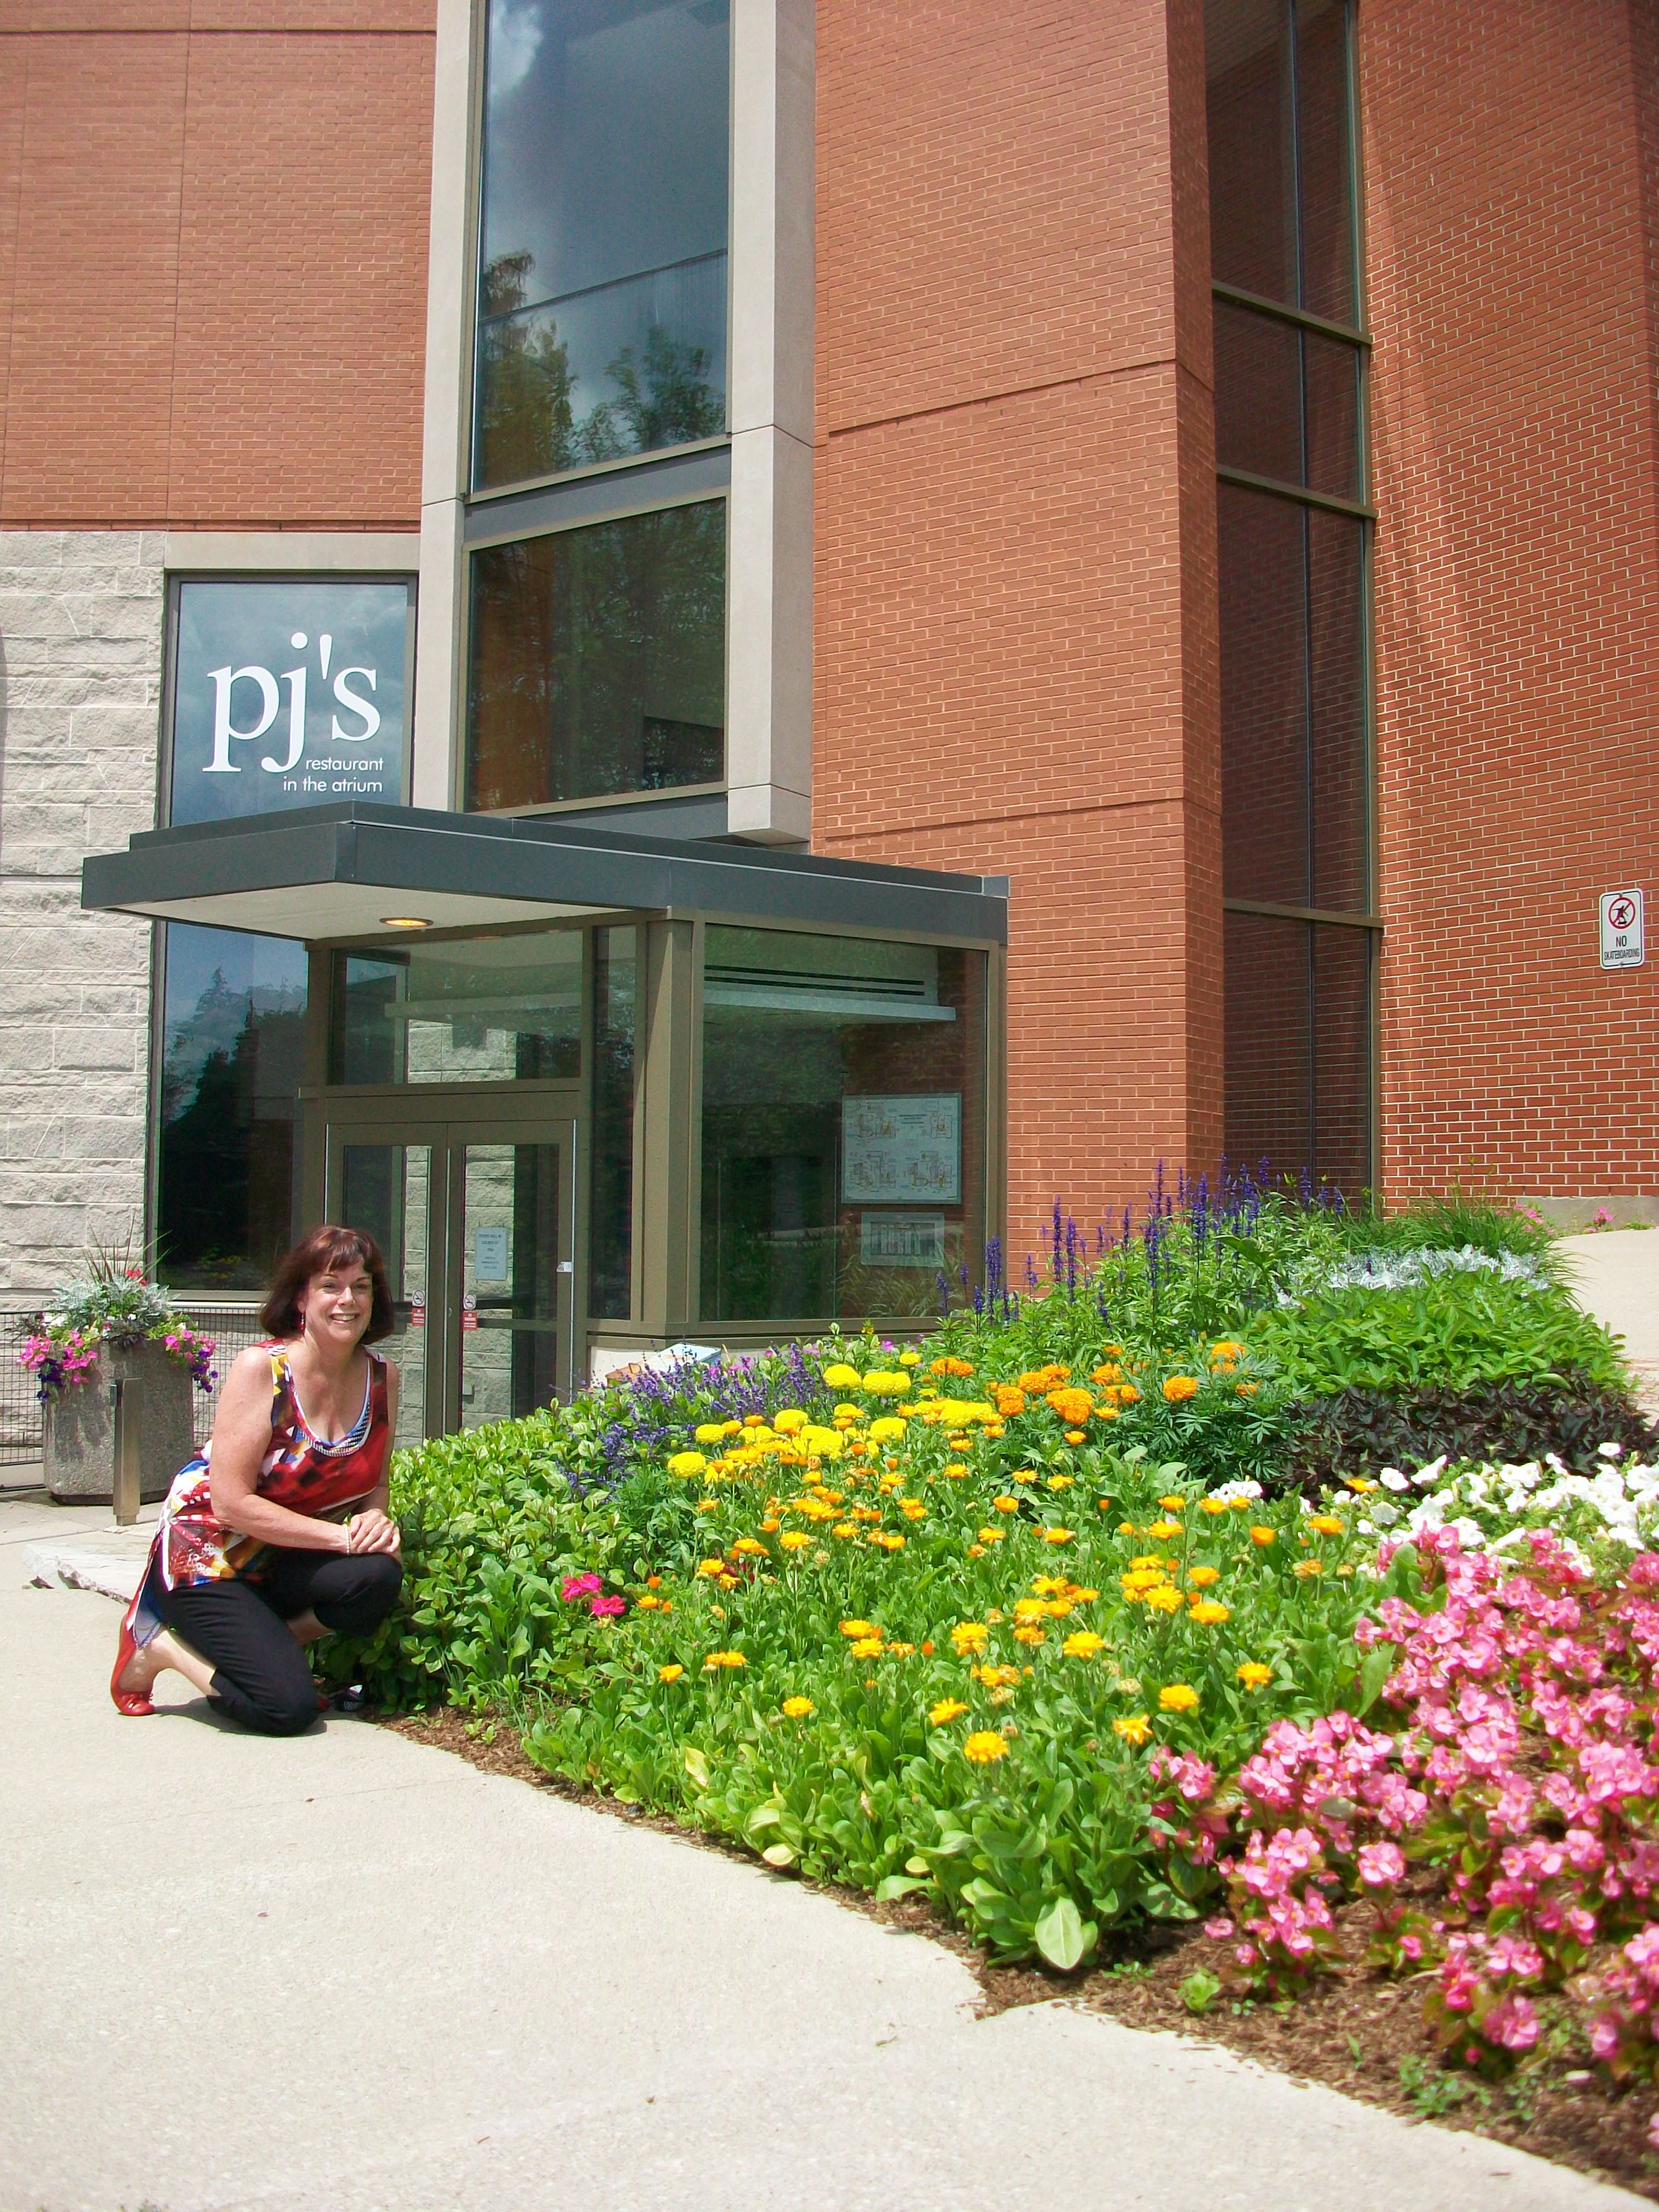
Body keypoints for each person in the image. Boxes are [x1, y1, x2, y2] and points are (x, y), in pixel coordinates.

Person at [110, 1226, 404, 1734]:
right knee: (286, 1709)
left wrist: (375, 1520)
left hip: (281, 1554)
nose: (348, 1300)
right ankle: (157, 1644)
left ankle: (273, 1647)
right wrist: (342, 1538)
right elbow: (230, 1504)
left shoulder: (382, 1378)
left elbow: (376, 1481)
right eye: (331, 1285)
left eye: (362, 1286)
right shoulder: (262, 1370)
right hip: (208, 1558)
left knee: (377, 1575)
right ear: (300, 1298)